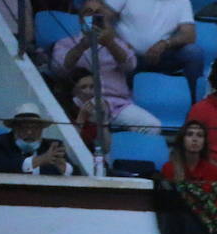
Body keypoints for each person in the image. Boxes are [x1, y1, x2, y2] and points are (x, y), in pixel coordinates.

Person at [54, 1, 161, 137]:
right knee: (97, 122)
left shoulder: (118, 43)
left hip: (118, 104)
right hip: (85, 102)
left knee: (152, 126)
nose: (94, 16)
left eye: (98, 13)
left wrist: (110, 43)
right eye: (89, 12)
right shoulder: (66, 43)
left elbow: (130, 66)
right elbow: (59, 69)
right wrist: (82, 46)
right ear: (81, 19)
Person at [105, 0, 204, 100]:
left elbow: (189, 35)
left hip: (161, 56)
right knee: (113, 55)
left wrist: (164, 44)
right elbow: (103, 18)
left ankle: (193, 103)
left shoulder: (181, 1)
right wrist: (120, 44)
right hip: (126, 56)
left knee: (193, 52)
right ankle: (117, 102)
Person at [0, 105, 72, 176]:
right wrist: (41, 159)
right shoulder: (0, 142)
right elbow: (2, 166)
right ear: (14, 128)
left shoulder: (52, 146)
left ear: (41, 129)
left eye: (35, 128)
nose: (29, 132)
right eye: (24, 127)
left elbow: (78, 173)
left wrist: (64, 168)